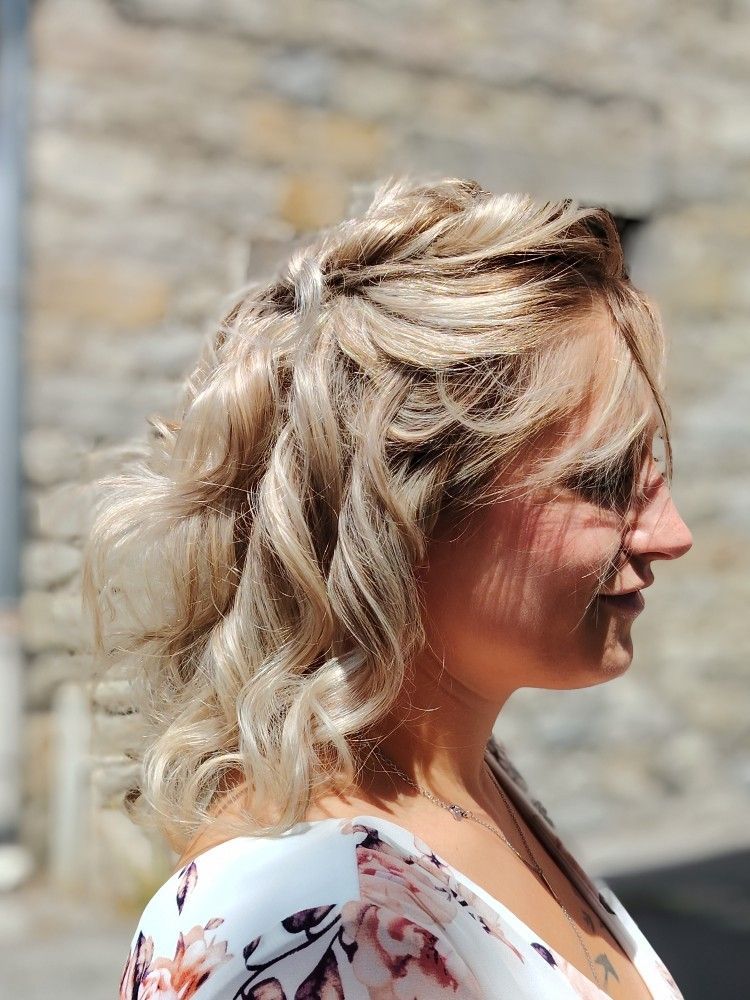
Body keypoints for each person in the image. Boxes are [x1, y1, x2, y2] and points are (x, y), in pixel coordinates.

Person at [85, 176, 692, 999]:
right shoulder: (301, 927)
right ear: (408, 507)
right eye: (606, 479)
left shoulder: (466, 785)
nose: (672, 534)